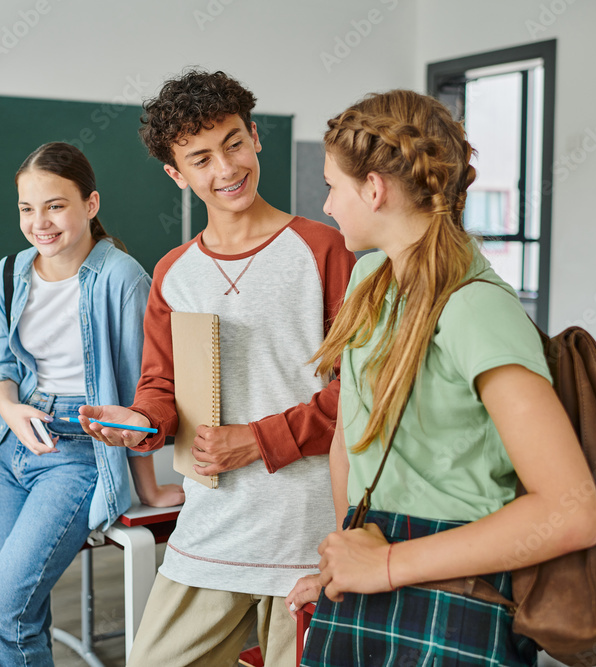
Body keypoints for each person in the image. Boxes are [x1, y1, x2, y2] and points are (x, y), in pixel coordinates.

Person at [284, 90, 596, 666]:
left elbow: (571, 511)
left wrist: (380, 565)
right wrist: (343, 561)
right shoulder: (370, 278)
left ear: (374, 189)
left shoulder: (476, 309)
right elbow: (348, 441)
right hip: (371, 571)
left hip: (453, 594)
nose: (327, 205)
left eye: (333, 186)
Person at [78, 70, 355, 666]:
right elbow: (162, 388)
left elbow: (358, 394)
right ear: (177, 175)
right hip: (212, 526)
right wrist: (141, 424)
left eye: (233, 143)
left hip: (307, 532)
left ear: (255, 136)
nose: (225, 169)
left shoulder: (325, 249)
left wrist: (253, 442)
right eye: (200, 158)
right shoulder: (173, 271)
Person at [0, 141, 183, 665]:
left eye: (55, 205)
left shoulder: (121, 277)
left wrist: (145, 483)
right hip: (11, 443)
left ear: (91, 204)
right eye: (26, 208)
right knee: (18, 613)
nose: (39, 222)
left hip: (79, 450)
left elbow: (141, 389)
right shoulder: (10, 272)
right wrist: (10, 408)